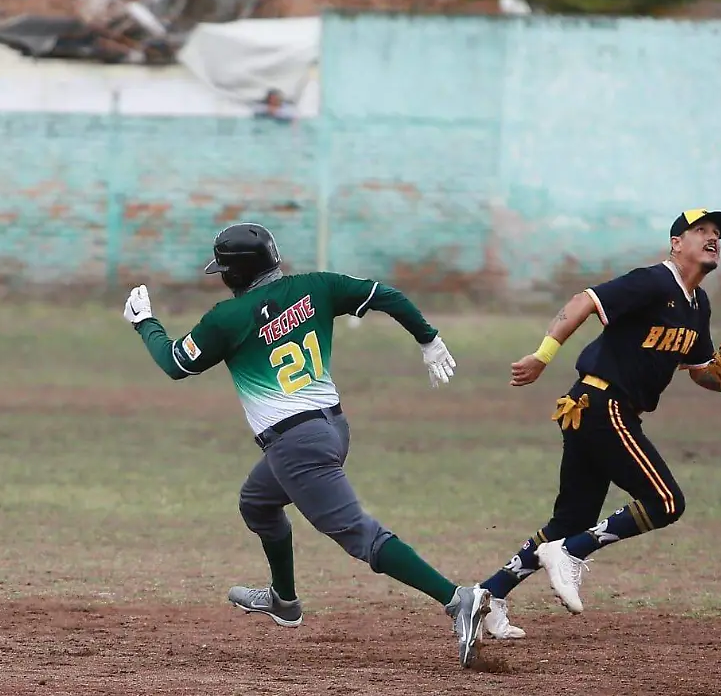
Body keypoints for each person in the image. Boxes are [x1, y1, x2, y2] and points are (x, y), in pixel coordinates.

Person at [121, 222, 492, 668]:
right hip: (332, 428)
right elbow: (387, 296)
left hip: (296, 445)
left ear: (234, 274)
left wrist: (145, 323)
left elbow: (176, 363)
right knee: (257, 502)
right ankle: (284, 601)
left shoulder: (227, 318)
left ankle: (457, 599)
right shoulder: (318, 287)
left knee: (360, 535)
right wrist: (428, 339)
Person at [477, 209, 721, 638]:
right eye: (700, 230)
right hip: (601, 402)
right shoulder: (654, 281)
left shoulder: (697, 304)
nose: (712, 237)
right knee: (665, 503)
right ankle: (570, 554)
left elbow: (700, 369)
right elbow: (584, 302)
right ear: (676, 243)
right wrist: (542, 356)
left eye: (717, 233)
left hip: (597, 408)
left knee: (569, 520)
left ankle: (485, 596)